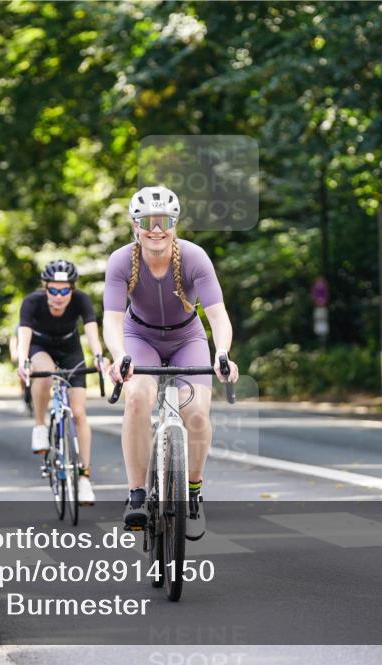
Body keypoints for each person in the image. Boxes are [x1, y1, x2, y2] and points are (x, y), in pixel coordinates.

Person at [103, 185, 239, 536]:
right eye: (148, 221)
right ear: (135, 225)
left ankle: (192, 491)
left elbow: (218, 316)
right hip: (140, 338)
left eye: (164, 220)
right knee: (136, 398)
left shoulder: (194, 258)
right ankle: (136, 495)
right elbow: (112, 320)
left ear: (175, 223)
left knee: (195, 413)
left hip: (187, 339)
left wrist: (222, 351)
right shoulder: (121, 261)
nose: (157, 228)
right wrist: (119, 356)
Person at [16, 259, 107, 506]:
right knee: (45, 373)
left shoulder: (81, 300)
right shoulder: (32, 302)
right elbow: (23, 335)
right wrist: (23, 361)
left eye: (64, 290)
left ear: (72, 290)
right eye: (53, 290)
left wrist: (98, 356)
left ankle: (84, 478)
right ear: (45, 288)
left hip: (70, 347)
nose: (58, 296)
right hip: (40, 345)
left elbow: (91, 331)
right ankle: (39, 426)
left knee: (79, 414)